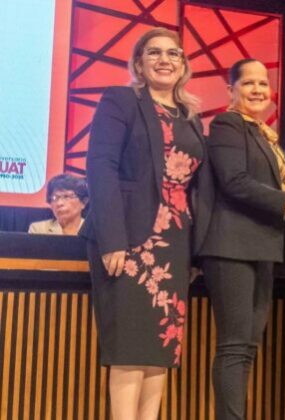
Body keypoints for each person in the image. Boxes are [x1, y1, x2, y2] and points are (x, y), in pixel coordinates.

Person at [81, 27, 214, 420]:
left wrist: (196, 253)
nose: (164, 60)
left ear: (183, 65)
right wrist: (112, 239)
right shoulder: (121, 100)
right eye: (154, 52)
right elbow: (101, 167)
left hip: (175, 243)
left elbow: (197, 187)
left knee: (161, 346)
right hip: (129, 239)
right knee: (129, 347)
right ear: (138, 63)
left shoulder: (190, 117)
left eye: (174, 53)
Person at [198, 58, 285, 420]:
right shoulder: (227, 124)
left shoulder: (263, 133)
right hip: (231, 248)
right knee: (234, 346)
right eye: (248, 83)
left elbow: (274, 184)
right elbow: (234, 182)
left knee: (247, 346)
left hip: (262, 248)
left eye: (262, 83)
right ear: (231, 90)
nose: (257, 89)